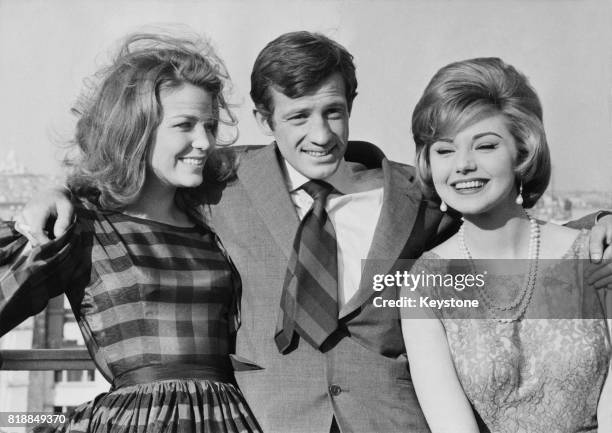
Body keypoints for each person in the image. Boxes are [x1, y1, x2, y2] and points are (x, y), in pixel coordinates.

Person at [13, 32, 612, 433]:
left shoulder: (417, 191)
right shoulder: (220, 183)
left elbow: (501, 223)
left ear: (353, 104)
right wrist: (59, 191)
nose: (320, 133)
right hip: (262, 422)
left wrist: (600, 226)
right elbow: (138, 180)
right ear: (263, 119)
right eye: (297, 116)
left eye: (333, 111)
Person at [0, 33, 261, 432]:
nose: (205, 142)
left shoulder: (215, 219)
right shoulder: (84, 228)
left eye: (209, 125)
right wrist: (55, 192)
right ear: (136, 130)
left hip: (232, 419)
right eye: (184, 125)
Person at [402, 57, 612, 432]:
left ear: (523, 151)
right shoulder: (425, 284)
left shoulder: (595, 255)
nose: (463, 164)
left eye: (484, 146)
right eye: (445, 150)